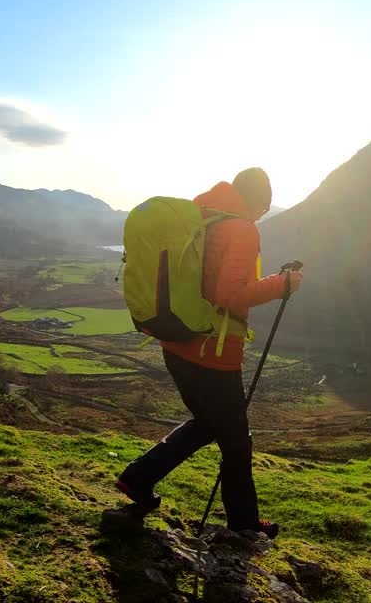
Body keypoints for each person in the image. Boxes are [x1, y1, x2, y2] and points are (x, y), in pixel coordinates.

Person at [116, 167, 302, 538]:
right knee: (236, 442)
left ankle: (138, 478)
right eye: (265, 206)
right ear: (259, 201)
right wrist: (281, 285)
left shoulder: (199, 218)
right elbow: (229, 295)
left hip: (176, 341)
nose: (263, 213)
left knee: (206, 423)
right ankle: (245, 524)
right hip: (213, 354)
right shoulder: (243, 229)